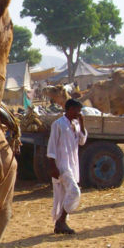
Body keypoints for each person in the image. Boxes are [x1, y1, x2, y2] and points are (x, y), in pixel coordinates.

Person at [47, 98, 87, 235]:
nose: (78, 113)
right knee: (75, 192)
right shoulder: (58, 125)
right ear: (68, 109)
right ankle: (61, 221)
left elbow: (82, 141)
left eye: (79, 110)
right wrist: (53, 166)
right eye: (76, 110)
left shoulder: (75, 124)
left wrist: (82, 123)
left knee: (66, 194)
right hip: (62, 165)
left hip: (72, 164)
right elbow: (51, 146)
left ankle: (60, 224)